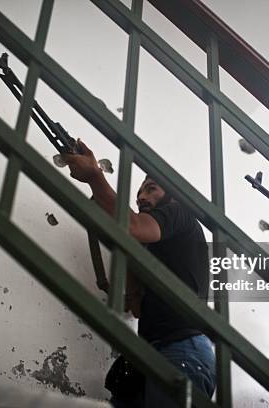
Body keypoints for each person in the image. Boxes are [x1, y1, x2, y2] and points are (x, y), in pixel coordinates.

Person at [62, 139, 216, 407]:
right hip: (156, 354)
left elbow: (133, 226)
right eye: (140, 192)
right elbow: (136, 308)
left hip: (181, 351)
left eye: (151, 189)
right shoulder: (160, 249)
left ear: (173, 195)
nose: (142, 196)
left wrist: (95, 177)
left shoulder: (179, 212)